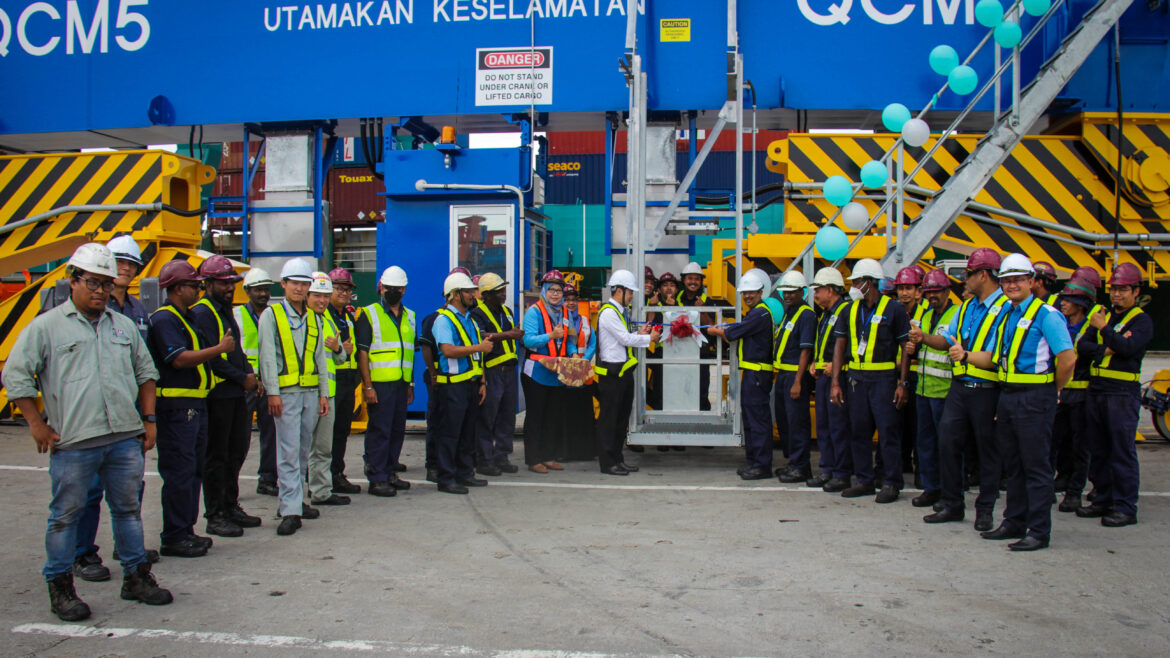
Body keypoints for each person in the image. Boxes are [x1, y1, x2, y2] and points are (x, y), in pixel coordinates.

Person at [4, 243, 172, 622]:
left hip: (124, 439)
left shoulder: (123, 326)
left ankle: (136, 577)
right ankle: (61, 587)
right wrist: (35, 423)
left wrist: (148, 421)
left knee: (128, 512)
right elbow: (15, 376)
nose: (101, 291)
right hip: (75, 442)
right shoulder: (46, 327)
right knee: (65, 516)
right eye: (93, 282)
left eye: (107, 284)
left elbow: (146, 375)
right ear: (73, 280)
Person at [956, 255, 1074, 551]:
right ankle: (1013, 522)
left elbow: (1068, 358)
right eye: (1007, 280)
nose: (1012, 285)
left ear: (1032, 282)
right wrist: (966, 356)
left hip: (1035, 398)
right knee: (1014, 465)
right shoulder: (1007, 315)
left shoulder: (1047, 315)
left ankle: (1038, 530)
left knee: (1036, 466)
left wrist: (1052, 389)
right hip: (1008, 396)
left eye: (1018, 279)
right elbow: (992, 358)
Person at [71, 235, 155, 583]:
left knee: (130, 489)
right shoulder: (83, 310)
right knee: (88, 491)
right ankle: (82, 554)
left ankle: (127, 548)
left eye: (130, 264)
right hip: (89, 415)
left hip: (129, 413)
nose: (124, 268)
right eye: (118, 262)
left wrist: (148, 416)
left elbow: (145, 366)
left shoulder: (136, 311)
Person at [147, 260, 233, 557]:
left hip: (195, 404)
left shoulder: (187, 317)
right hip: (176, 406)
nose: (198, 289)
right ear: (176, 288)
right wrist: (220, 349)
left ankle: (185, 530)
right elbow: (179, 359)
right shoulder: (164, 320)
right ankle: (174, 535)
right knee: (180, 471)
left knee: (194, 469)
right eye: (194, 285)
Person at [920, 248, 1008, 531]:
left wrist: (966, 355)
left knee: (987, 451)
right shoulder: (967, 307)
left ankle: (985, 509)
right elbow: (947, 342)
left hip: (988, 389)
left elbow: (996, 356)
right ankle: (953, 504)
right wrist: (923, 338)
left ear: (984, 275)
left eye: (968, 274)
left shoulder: (1006, 308)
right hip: (960, 387)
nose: (964, 280)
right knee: (948, 444)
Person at [1076, 262, 1153, 527]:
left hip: (1121, 394)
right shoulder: (1102, 314)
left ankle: (1125, 507)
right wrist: (1106, 350)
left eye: (1122, 289)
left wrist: (1105, 331)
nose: (1117, 294)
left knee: (1121, 451)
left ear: (1135, 291)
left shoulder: (1141, 321)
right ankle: (1102, 499)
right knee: (1098, 450)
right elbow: (1083, 346)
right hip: (1096, 391)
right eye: (1113, 289)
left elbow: (1129, 347)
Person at [189, 255, 261, 538]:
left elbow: (235, 350)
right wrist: (242, 377)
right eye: (223, 283)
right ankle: (215, 513)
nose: (229, 287)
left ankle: (230, 505)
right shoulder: (204, 312)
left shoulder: (225, 310)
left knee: (236, 452)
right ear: (207, 284)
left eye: (231, 282)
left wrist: (250, 374)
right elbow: (212, 357)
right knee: (217, 456)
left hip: (236, 393)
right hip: (218, 394)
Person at [830, 258, 912, 503]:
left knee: (888, 432)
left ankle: (891, 482)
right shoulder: (849, 309)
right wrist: (836, 381)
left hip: (883, 380)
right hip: (856, 380)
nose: (853, 286)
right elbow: (840, 345)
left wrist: (902, 383)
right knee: (859, 431)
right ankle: (864, 480)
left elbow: (905, 347)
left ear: (870, 282)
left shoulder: (894, 309)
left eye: (857, 281)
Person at [258, 258, 329, 536]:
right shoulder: (271, 316)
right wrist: (272, 392)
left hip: (310, 393)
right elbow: (266, 357)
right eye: (294, 283)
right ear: (283, 284)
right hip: (285, 394)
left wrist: (323, 393)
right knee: (288, 451)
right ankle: (289, 510)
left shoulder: (314, 318)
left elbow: (320, 358)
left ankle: (295, 500)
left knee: (301, 450)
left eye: (304, 284)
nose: (299, 288)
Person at [355, 265, 415, 497]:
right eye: (389, 288)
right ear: (381, 288)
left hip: (400, 383)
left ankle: (390, 472)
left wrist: (410, 384)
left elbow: (409, 352)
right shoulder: (368, 314)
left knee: (397, 430)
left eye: (398, 289)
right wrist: (367, 386)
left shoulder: (410, 316)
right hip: (379, 385)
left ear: (404, 290)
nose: (393, 292)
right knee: (379, 431)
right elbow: (362, 353)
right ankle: (377, 477)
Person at [432, 272, 494, 493]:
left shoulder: (470, 320)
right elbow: (447, 350)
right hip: (453, 386)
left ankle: (465, 473)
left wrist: (482, 382)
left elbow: (478, 356)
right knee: (450, 434)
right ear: (455, 295)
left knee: (468, 433)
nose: (473, 294)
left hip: (470, 384)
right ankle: (446, 478)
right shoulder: (443, 320)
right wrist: (479, 348)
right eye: (468, 291)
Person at [594, 269, 659, 475]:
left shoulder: (620, 312)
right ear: (619, 290)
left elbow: (624, 338)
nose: (632, 296)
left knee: (621, 420)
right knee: (609, 421)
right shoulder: (609, 313)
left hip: (622, 373)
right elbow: (625, 340)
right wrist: (649, 339)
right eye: (630, 292)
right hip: (612, 375)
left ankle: (617, 459)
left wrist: (638, 334)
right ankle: (607, 463)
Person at [709, 272, 773, 479]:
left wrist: (717, 330)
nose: (747, 296)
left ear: (760, 292)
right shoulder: (756, 312)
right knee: (751, 420)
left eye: (751, 292)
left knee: (757, 421)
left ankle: (762, 466)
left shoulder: (760, 313)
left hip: (757, 375)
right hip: (753, 374)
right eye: (745, 293)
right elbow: (739, 328)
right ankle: (754, 462)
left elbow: (733, 333)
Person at [1052, 266, 1103, 512]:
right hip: (1060, 392)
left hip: (1082, 394)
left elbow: (1096, 352)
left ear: (1080, 304)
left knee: (1080, 446)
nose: (1063, 303)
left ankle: (1074, 492)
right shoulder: (1058, 321)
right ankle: (1061, 478)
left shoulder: (1093, 326)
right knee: (1055, 441)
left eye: (1068, 301)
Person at [907, 269, 958, 510]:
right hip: (924, 389)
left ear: (947, 291)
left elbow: (947, 343)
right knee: (925, 443)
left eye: (936, 291)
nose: (932, 296)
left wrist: (922, 338)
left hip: (946, 392)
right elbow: (922, 347)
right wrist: (912, 347)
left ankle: (949, 493)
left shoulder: (956, 314)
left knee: (946, 446)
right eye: (929, 292)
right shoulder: (926, 316)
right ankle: (931, 488)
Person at [306, 272, 354, 507]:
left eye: (325, 296)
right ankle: (298, 496)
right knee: (300, 448)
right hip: (303, 392)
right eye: (317, 295)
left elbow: (340, 358)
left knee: (323, 448)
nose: (322, 300)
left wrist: (337, 349)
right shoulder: (298, 320)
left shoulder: (327, 321)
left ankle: (321, 491)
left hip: (328, 393)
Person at [469, 272, 524, 475]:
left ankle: (502, 456)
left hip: (509, 372)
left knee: (506, 417)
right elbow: (480, 336)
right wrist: (508, 334)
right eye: (499, 291)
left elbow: (510, 332)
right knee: (487, 418)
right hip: (492, 371)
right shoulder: (477, 313)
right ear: (487, 295)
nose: (503, 294)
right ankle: (484, 460)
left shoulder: (507, 311)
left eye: (503, 290)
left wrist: (516, 333)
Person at [521, 270, 574, 473]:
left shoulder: (565, 313)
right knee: (536, 417)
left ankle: (549, 456)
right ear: (543, 290)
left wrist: (574, 354)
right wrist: (551, 335)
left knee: (553, 417)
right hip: (536, 372)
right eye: (550, 289)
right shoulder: (534, 312)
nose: (555, 294)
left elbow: (568, 340)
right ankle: (533, 459)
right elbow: (528, 340)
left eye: (558, 290)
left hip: (556, 373)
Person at [234, 267, 279, 497]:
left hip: (269, 383)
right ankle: (230, 481)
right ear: (247, 291)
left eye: (265, 289)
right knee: (239, 435)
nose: (263, 294)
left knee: (271, 433)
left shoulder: (274, 316)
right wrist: (249, 377)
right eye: (258, 290)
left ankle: (268, 479)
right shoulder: (237, 316)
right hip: (246, 384)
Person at [810, 268, 852, 492]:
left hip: (839, 377)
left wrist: (837, 365)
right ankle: (827, 470)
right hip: (824, 376)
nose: (816, 294)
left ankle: (841, 473)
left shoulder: (846, 311)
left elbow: (850, 344)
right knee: (825, 426)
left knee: (838, 426)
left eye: (818, 289)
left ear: (830, 289)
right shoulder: (827, 313)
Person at [772, 270, 816, 483]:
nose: (787, 296)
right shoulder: (790, 312)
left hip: (794, 376)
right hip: (784, 375)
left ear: (802, 292)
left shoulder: (806, 315)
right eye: (784, 292)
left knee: (797, 422)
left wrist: (798, 381)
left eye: (792, 292)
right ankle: (793, 463)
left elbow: (805, 351)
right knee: (786, 422)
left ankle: (802, 467)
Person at [327, 267, 362, 495]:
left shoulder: (349, 318)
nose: (343, 293)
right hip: (331, 381)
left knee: (341, 431)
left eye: (346, 289)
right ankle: (322, 477)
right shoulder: (320, 316)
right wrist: (341, 349)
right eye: (338, 288)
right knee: (324, 435)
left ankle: (337, 473)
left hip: (348, 381)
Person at [679, 261, 725, 412]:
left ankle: (703, 418)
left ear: (701, 281)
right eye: (690, 278)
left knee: (701, 388)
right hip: (680, 351)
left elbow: (711, 325)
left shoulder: (708, 301)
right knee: (681, 388)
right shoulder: (676, 299)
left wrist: (702, 310)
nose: (693, 282)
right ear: (684, 280)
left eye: (696, 279)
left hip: (701, 352)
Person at [894, 266, 926, 482]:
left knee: (919, 428)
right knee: (899, 425)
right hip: (897, 375)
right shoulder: (896, 312)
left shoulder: (927, 315)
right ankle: (903, 462)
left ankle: (921, 471)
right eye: (901, 288)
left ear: (918, 291)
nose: (904, 292)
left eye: (909, 288)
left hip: (919, 377)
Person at [561, 283, 599, 461]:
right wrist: (573, 354)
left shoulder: (584, 320)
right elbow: (566, 340)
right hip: (567, 374)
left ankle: (586, 451)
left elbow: (593, 342)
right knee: (567, 413)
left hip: (584, 372)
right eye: (566, 300)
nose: (570, 303)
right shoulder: (559, 320)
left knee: (585, 412)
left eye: (573, 300)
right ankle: (567, 452)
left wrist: (585, 359)